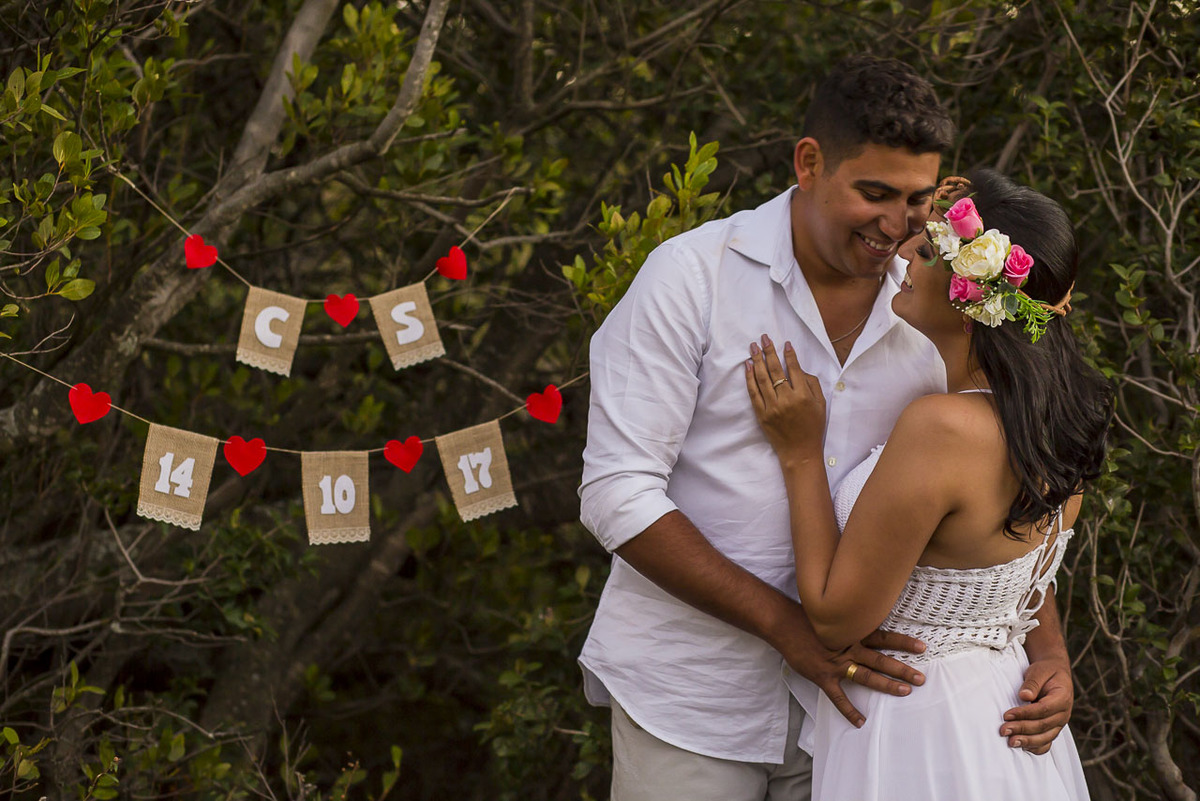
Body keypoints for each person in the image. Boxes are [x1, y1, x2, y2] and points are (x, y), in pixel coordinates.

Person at [578, 54, 1075, 801]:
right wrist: (789, 627)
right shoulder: (691, 277)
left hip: (871, 718)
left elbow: (1001, 496)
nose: (894, 225)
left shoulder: (938, 308)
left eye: (914, 201)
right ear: (809, 163)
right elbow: (616, 492)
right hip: (693, 698)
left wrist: (1048, 651)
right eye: (872, 193)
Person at [745, 169, 1111, 799]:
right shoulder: (1056, 423)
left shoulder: (943, 426)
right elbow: (1011, 572)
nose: (907, 252)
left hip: (920, 724)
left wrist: (802, 453)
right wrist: (1050, 652)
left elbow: (834, 622)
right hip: (1002, 711)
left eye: (932, 249)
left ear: (972, 298)